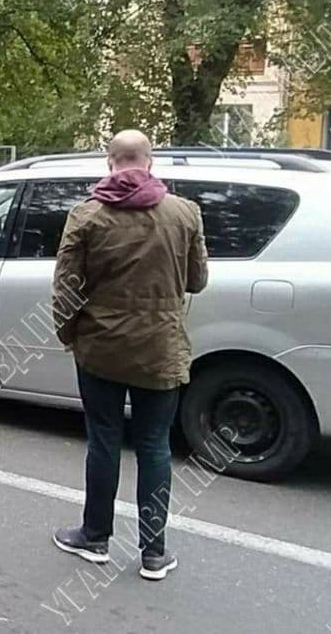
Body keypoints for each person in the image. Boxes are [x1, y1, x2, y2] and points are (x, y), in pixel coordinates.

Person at [50, 129, 208, 581]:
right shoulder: (184, 214)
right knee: (155, 445)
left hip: (100, 349)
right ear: (150, 162)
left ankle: (95, 536)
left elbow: (65, 290)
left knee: (103, 440)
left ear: (109, 162)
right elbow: (197, 280)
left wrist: (70, 336)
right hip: (161, 348)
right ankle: (154, 553)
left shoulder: (86, 217)